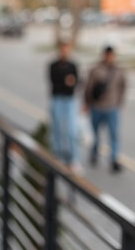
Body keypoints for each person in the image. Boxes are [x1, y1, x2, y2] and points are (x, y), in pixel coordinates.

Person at [83, 46, 127, 173]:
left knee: (113, 134)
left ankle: (114, 159)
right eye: (107, 55)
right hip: (97, 107)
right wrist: (87, 103)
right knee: (95, 134)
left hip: (112, 108)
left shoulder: (119, 71)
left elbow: (123, 87)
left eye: (111, 55)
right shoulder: (96, 69)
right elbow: (88, 87)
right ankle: (94, 153)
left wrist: (119, 102)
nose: (109, 57)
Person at [47, 40, 81, 173]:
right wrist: (66, 82)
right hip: (57, 99)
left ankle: (74, 158)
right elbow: (55, 83)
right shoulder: (53, 66)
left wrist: (69, 82)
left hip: (70, 100)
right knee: (57, 129)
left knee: (72, 130)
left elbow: (75, 82)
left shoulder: (73, 65)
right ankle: (58, 155)